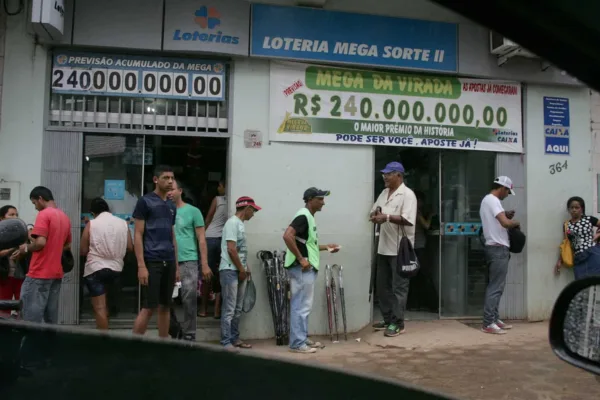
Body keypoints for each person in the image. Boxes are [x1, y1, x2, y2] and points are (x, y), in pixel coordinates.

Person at [283, 188, 340, 354]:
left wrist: (327, 248)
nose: (323, 202)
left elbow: (309, 244)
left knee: (303, 305)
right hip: (301, 268)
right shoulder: (303, 216)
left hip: (305, 268)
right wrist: (301, 259)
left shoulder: (308, 217)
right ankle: (297, 343)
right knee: (300, 305)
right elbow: (287, 236)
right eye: (320, 199)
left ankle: (302, 337)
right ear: (310, 200)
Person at [369, 162, 417, 337]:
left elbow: (409, 219)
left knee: (399, 288)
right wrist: (375, 216)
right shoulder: (384, 193)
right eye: (384, 174)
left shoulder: (408, 195)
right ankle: (388, 319)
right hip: (383, 248)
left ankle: (398, 323)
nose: (385, 177)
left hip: (400, 250)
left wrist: (386, 217)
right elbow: (373, 212)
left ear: (399, 175)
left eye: (388, 174)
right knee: (382, 287)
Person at [11, 186, 72, 324]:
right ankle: (49, 345)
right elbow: (67, 245)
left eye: (34, 203)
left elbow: (40, 243)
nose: (35, 207)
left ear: (40, 198)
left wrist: (25, 248)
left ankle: (32, 346)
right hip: (56, 274)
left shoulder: (44, 214)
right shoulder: (64, 216)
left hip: (39, 273)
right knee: (50, 320)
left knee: (30, 319)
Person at [132, 165, 180, 338]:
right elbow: (138, 234)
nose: (169, 181)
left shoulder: (171, 205)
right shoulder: (145, 201)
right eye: (165, 177)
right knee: (149, 306)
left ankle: (163, 343)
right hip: (152, 261)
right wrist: (141, 265)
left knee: (166, 305)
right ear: (155, 180)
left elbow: (172, 235)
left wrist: (177, 265)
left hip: (169, 260)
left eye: (172, 178)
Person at [80, 198, 133, 330]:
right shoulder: (123, 223)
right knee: (109, 305)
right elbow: (131, 247)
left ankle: (103, 340)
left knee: (100, 308)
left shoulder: (91, 224)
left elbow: (83, 250)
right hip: (116, 270)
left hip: (95, 270)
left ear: (93, 212)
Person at [169, 180, 211, 341]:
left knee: (189, 299)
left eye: (172, 189)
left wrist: (205, 264)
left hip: (189, 260)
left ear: (180, 190)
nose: (170, 193)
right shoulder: (164, 211)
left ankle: (189, 333)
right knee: (167, 300)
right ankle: (175, 330)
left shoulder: (193, 211)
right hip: (168, 260)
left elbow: (201, 238)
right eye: (168, 190)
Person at [479, 176, 520, 334]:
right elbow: (505, 223)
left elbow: (498, 220)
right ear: (502, 188)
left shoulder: (487, 200)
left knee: (496, 286)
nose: (507, 195)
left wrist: (506, 214)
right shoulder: (493, 200)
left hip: (493, 247)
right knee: (495, 287)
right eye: (508, 192)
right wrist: (515, 222)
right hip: (498, 248)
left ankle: (494, 318)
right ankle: (488, 323)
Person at [219, 196, 261, 351]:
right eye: (253, 210)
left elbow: (239, 251)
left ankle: (234, 338)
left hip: (239, 270)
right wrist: (242, 269)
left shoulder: (240, 225)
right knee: (229, 308)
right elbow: (231, 249)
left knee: (237, 308)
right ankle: (226, 342)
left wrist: (246, 267)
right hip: (230, 270)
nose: (254, 214)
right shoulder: (232, 223)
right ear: (246, 208)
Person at [555, 196, 600, 279]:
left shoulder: (589, 219)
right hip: (579, 258)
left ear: (582, 208)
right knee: (581, 286)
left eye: (577, 207)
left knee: (596, 284)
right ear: (568, 209)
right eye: (571, 207)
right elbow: (566, 243)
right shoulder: (566, 224)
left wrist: (597, 235)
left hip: (593, 253)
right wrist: (560, 261)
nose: (574, 210)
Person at [201, 180, 227, 319]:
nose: (219, 188)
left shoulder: (217, 199)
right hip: (222, 240)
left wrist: (201, 236)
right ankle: (217, 310)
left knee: (207, 275)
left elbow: (209, 218)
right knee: (220, 274)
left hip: (210, 238)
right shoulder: (232, 200)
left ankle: (203, 310)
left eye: (220, 185)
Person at [0, 206, 27, 317]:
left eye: (16, 214)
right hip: (4, 276)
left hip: (19, 275)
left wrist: (23, 251)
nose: (15, 217)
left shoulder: (21, 233)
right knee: (3, 305)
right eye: (11, 215)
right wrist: (13, 249)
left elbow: (27, 249)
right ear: (1, 218)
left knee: (22, 305)